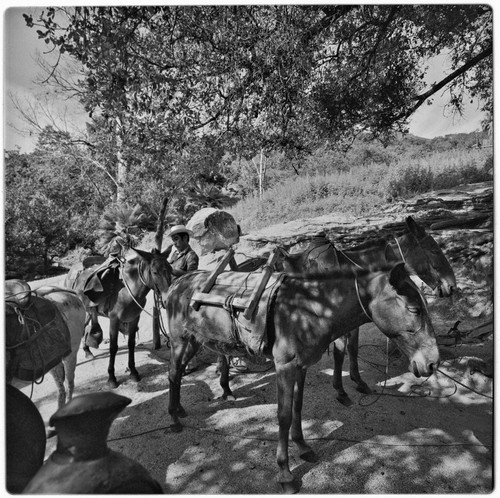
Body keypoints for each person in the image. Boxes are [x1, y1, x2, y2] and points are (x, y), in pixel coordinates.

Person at [165, 225, 200, 374]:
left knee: (187, 329)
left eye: (177, 239)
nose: (175, 243)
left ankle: (190, 362)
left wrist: (170, 270)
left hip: (185, 296)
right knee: (178, 329)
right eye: (173, 240)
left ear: (186, 238)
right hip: (174, 294)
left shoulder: (191, 255)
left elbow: (192, 275)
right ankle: (183, 359)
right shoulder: (175, 255)